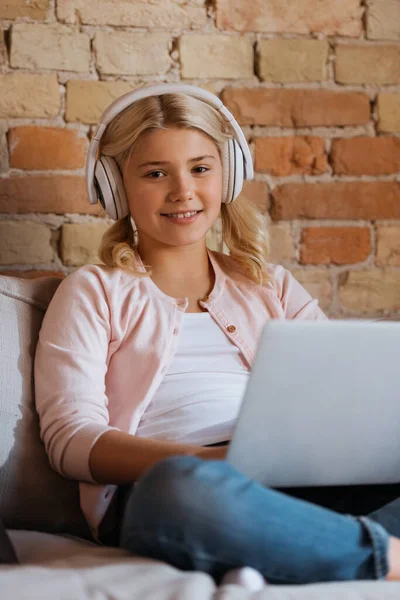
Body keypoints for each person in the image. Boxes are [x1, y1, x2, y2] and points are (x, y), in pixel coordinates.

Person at [34, 83, 400, 588]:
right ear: (115, 187)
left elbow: (341, 399)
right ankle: (366, 552)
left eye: (201, 168)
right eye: (156, 173)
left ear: (227, 176)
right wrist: (215, 461)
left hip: (295, 482)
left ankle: (299, 549)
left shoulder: (271, 285)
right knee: (182, 491)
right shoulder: (93, 291)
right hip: (179, 487)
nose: (183, 190)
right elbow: (71, 441)